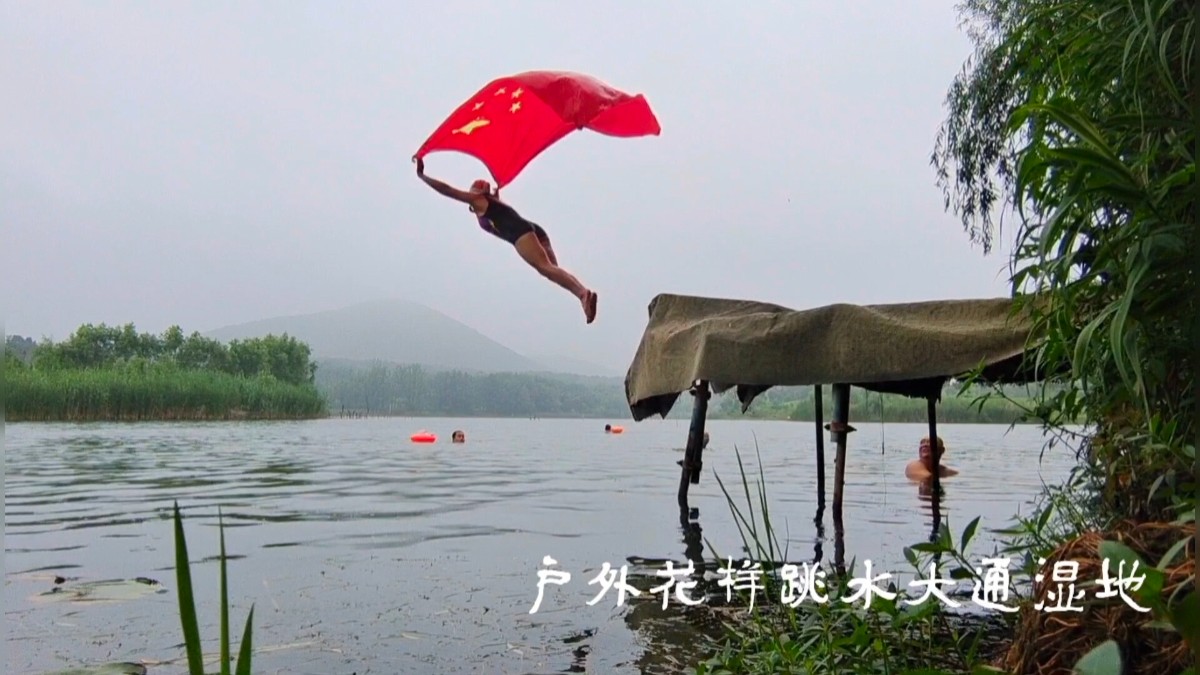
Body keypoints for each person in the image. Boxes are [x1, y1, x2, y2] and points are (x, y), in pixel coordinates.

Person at [414, 157, 598, 324]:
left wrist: (422, 176)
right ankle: (582, 294)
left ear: (475, 192)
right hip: (535, 230)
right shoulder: (494, 202)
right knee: (552, 270)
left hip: (520, 233)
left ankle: (582, 294)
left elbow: (447, 190)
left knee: (546, 268)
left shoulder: (478, 200)